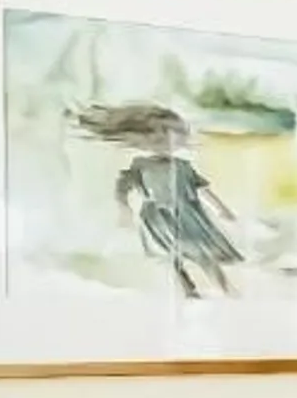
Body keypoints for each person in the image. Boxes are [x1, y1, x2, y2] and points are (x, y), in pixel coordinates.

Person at [72, 101, 243, 297]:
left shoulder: (182, 166)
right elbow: (122, 188)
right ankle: (188, 288)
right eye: (163, 134)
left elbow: (202, 189)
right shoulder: (140, 166)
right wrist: (123, 208)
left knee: (201, 253)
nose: (171, 139)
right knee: (171, 255)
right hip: (157, 217)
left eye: (177, 134)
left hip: (188, 216)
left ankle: (225, 288)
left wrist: (221, 209)